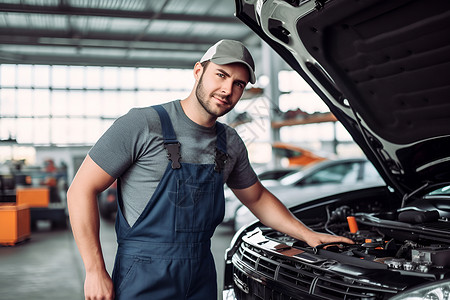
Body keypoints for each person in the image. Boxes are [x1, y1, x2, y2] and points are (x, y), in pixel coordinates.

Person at [67, 39, 353, 300]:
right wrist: (95, 271)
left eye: (239, 84)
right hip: (143, 272)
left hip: (201, 272)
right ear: (198, 71)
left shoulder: (230, 142)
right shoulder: (141, 124)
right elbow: (81, 189)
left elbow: (256, 197)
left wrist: (307, 234)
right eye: (221, 75)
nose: (228, 90)